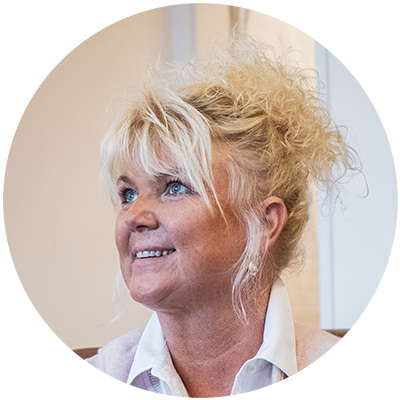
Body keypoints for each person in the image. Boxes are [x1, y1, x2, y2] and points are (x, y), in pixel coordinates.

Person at [85, 38, 357, 398]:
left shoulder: (359, 379)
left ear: (265, 223)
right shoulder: (87, 383)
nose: (133, 216)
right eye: (128, 194)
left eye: (175, 187)